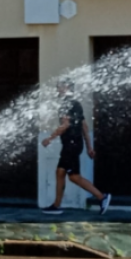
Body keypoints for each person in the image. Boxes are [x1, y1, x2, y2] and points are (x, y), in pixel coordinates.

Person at [41, 78, 111, 215]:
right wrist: (89, 147)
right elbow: (84, 126)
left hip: (70, 146)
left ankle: (102, 197)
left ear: (67, 88)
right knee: (64, 173)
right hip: (74, 145)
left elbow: (65, 125)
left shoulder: (65, 104)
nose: (58, 89)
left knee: (72, 176)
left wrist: (50, 138)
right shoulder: (76, 104)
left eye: (60, 86)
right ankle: (56, 206)